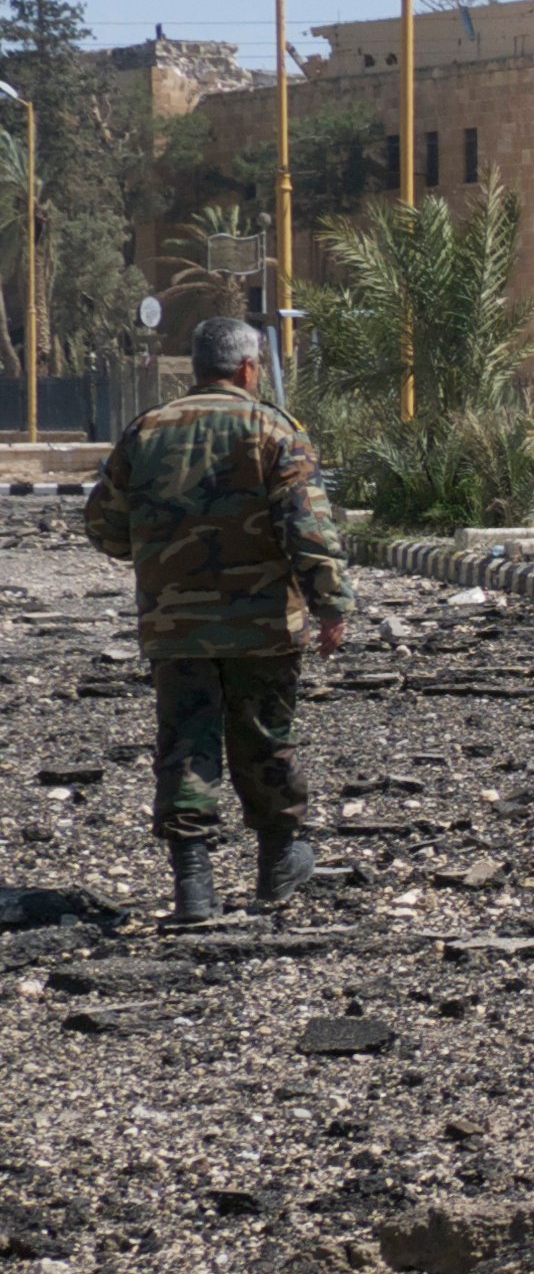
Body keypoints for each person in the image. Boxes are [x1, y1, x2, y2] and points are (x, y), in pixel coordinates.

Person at [82, 314, 349, 924]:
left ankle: (194, 887)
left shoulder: (146, 430)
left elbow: (104, 525)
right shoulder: (271, 428)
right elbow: (307, 528)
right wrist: (330, 602)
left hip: (175, 625)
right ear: (249, 368)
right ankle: (278, 863)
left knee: (185, 744)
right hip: (261, 627)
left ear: (199, 367)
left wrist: (154, 553)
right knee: (263, 738)